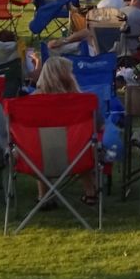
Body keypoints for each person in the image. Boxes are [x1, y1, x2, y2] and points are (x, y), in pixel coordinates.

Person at [31, 56, 99, 205]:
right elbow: (98, 125)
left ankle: (44, 196)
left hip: (37, 157)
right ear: (67, 77)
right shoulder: (83, 102)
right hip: (78, 156)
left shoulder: (30, 103)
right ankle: (90, 192)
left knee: (41, 142)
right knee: (83, 142)